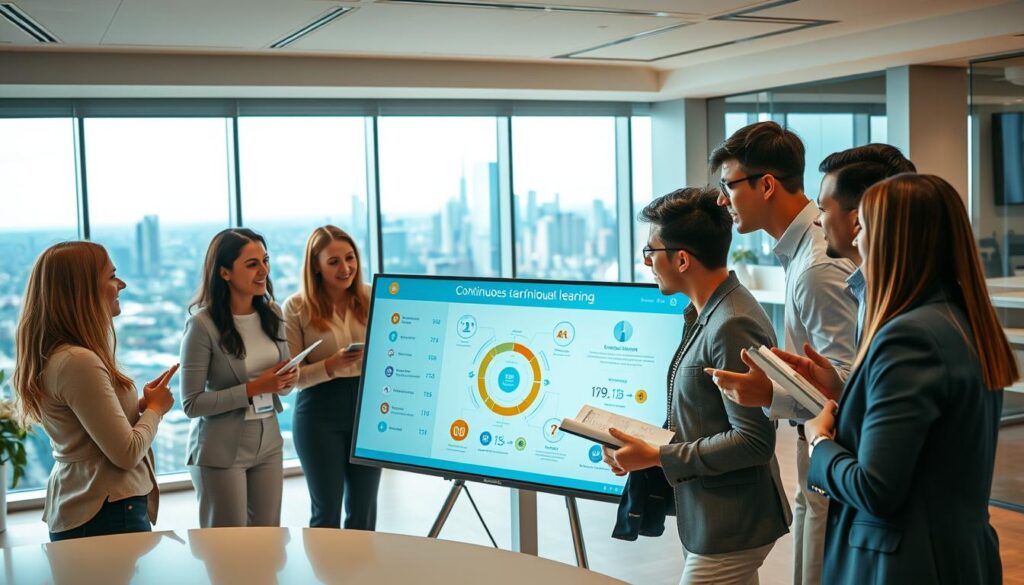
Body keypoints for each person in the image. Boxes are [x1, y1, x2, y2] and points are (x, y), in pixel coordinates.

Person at [793, 174, 1012, 583]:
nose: (857, 242)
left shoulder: (910, 336)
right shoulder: (964, 323)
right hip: (956, 555)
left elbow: (876, 488)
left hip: (904, 564)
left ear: (893, 241)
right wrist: (844, 393)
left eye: (864, 229)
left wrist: (820, 444)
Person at [602, 187, 791, 585]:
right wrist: (639, 447)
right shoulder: (708, 313)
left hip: (732, 524)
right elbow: (704, 415)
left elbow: (754, 441)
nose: (648, 262)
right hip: (712, 515)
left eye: (650, 252)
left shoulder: (732, 323)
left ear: (682, 259)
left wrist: (657, 455)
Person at [704, 121, 858, 585]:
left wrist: (769, 395)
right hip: (820, 448)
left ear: (766, 184)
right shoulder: (802, 254)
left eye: (728, 185)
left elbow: (850, 387)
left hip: (836, 451)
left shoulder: (816, 266)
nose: (722, 200)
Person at [12, 241, 177, 541]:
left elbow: (87, 432)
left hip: (95, 507)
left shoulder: (63, 357)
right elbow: (125, 453)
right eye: (112, 276)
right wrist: (155, 410)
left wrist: (139, 405)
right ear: (83, 290)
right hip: (106, 512)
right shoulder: (78, 362)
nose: (122, 284)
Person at [180, 228, 297, 528]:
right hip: (221, 448)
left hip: (268, 439)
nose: (264, 271)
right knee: (227, 549)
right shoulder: (201, 325)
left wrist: (286, 379)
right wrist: (256, 387)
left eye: (265, 260)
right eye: (252, 264)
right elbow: (192, 404)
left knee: (268, 540)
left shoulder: (272, 312)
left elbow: (281, 384)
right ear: (224, 272)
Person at [283, 225, 381, 530]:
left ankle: (361, 577)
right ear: (316, 265)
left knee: (364, 512)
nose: (346, 268)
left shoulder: (371, 296)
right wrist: (330, 365)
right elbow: (291, 377)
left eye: (350, 258)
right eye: (334, 261)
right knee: (326, 513)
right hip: (319, 412)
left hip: (367, 408)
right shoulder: (296, 307)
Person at [815, 144, 915, 339]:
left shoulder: (900, 317)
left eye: (823, 210)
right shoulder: (872, 292)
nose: (817, 220)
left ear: (857, 220)